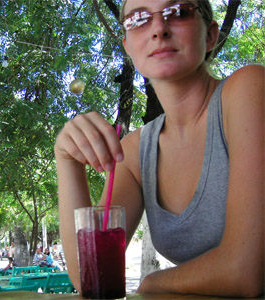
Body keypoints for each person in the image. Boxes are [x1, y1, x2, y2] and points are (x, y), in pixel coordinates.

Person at [55, 0, 263, 297]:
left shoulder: (249, 90)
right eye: (138, 19)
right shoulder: (134, 153)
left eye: (178, 12)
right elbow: (88, 275)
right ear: (127, 45)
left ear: (210, 35)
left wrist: (152, 283)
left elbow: (244, 271)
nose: (158, 29)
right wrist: (67, 160)